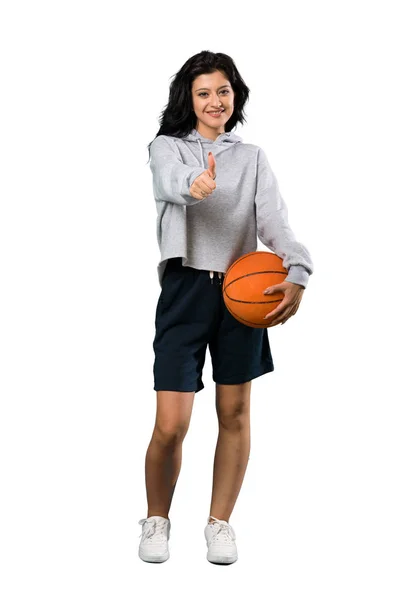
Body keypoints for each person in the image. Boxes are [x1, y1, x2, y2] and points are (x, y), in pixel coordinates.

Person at [138, 51, 314, 565]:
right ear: (188, 100)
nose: (215, 101)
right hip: (186, 290)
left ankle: (220, 523)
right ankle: (156, 519)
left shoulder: (253, 156)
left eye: (223, 91)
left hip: (244, 292)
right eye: (203, 93)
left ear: (234, 95)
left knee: (234, 412)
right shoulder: (167, 148)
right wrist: (194, 185)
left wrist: (297, 272)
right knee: (171, 423)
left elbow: (276, 225)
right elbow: (167, 180)